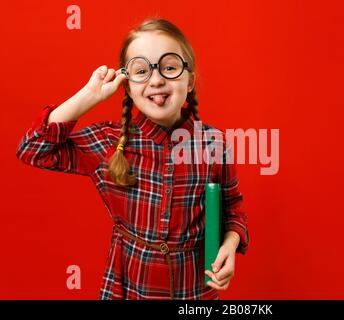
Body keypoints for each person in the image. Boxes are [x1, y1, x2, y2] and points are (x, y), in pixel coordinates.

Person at [16, 18, 249, 300]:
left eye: (170, 67)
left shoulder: (214, 143)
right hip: (128, 288)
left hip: (194, 292)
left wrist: (230, 244)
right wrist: (89, 96)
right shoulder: (109, 142)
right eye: (141, 71)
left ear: (190, 80)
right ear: (127, 87)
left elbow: (233, 209)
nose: (156, 79)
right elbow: (32, 148)